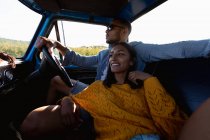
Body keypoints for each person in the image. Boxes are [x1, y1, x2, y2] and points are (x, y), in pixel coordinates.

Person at [20, 42, 188, 140]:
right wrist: (66, 101)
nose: (113, 57)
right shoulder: (99, 88)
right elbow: (78, 99)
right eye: (111, 55)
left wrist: (150, 80)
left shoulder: (144, 88)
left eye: (120, 54)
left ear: (131, 62)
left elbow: (167, 118)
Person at [36, 18, 210, 104]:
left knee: (56, 89)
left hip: (116, 99)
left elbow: (180, 48)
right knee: (56, 81)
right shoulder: (105, 54)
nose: (106, 31)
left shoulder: (138, 49)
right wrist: (57, 44)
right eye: (106, 28)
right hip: (96, 92)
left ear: (125, 32)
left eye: (111, 27)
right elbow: (79, 60)